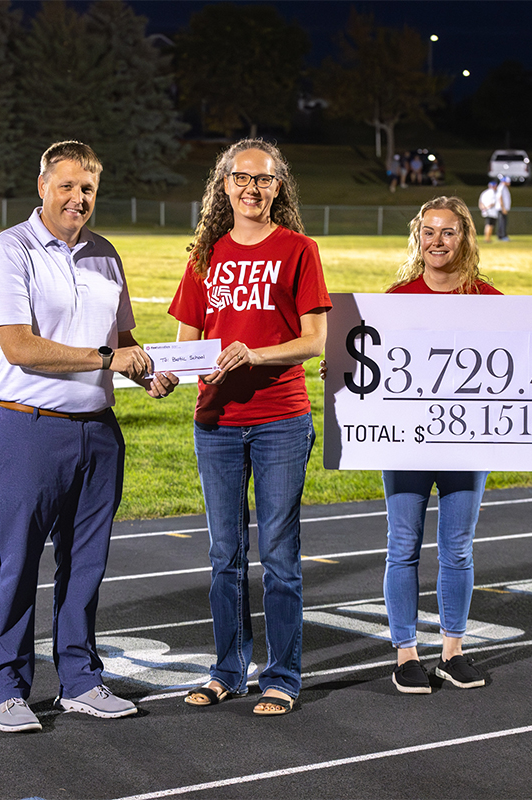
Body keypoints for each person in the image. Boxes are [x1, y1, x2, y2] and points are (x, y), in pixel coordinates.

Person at [322, 197, 532, 693]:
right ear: (417, 237)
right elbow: (365, 363)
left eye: (448, 233)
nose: (437, 241)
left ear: (464, 238)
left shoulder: (491, 300)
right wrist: (338, 369)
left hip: (467, 443)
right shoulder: (394, 298)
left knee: (457, 549)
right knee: (402, 546)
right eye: (429, 232)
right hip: (406, 442)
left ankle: (452, 651)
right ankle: (406, 653)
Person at [0, 141, 178, 733]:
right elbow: (19, 346)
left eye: (87, 188)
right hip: (27, 427)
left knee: (86, 565)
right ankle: (5, 688)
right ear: (42, 186)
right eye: (66, 186)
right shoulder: (9, 250)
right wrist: (110, 357)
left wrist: (149, 374)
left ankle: (81, 680)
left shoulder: (106, 253)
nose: (77, 198)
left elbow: (124, 339)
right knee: (14, 565)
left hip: (98, 431)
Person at [170, 140, 330, 716]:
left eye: (263, 180)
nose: (251, 188)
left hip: (281, 420)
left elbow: (316, 341)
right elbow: (186, 345)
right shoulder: (206, 254)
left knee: (281, 555)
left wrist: (254, 355)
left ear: (278, 186)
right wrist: (167, 375)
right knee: (224, 554)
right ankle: (227, 670)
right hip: (214, 422)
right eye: (240, 178)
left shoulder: (298, 250)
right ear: (224, 185)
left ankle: (282, 675)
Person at [494, 177, 512, 241]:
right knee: (502, 222)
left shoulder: (504, 187)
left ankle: (502, 235)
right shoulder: (501, 187)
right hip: (501, 208)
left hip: (503, 208)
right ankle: (502, 236)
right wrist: (503, 208)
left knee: (503, 222)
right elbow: (500, 198)